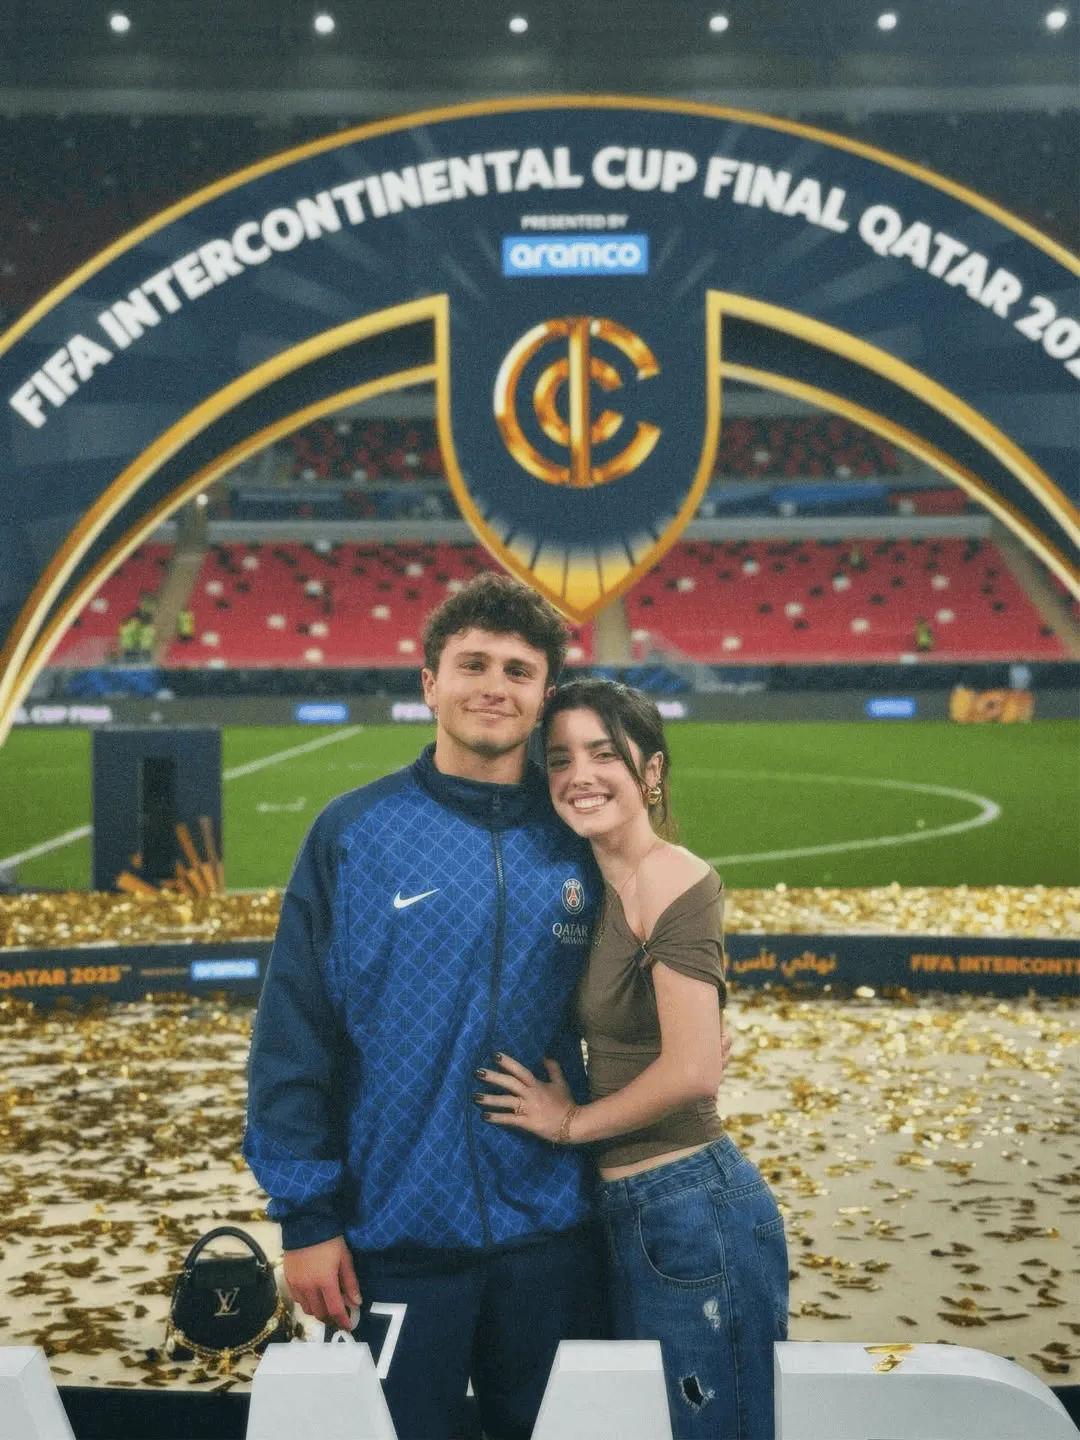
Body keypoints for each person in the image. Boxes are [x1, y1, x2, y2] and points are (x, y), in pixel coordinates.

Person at [243, 573, 605, 1440]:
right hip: (391, 1236)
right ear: (429, 684)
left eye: (518, 671)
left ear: (544, 696)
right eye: (472, 664)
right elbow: (294, 1035)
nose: (494, 686)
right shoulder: (354, 833)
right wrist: (307, 1219)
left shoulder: (582, 837)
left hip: (552, 1235)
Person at [478, 678, 787, 1440]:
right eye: (560, 759)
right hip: (631, 1210)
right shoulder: (593, 882)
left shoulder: (671, 877)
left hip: (691, 1206)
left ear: (650, 772)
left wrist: (570, 1124)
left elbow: (693, 1071)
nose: (578, 775)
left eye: (603, 754)